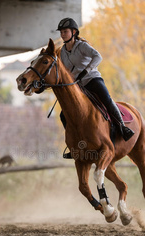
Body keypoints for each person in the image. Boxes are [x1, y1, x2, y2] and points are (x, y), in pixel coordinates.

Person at [56, 18, 135, 158]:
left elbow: (98, 57)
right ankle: (73, 144)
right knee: (64, 114)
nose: (62, 34)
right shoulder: (62, 51)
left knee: (107, 100)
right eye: (61, 32)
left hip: (92, 79)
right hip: (77, 85)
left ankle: (123, 128)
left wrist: (86, 71)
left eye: (65, 32)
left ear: (74, 32)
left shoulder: (81, 46)